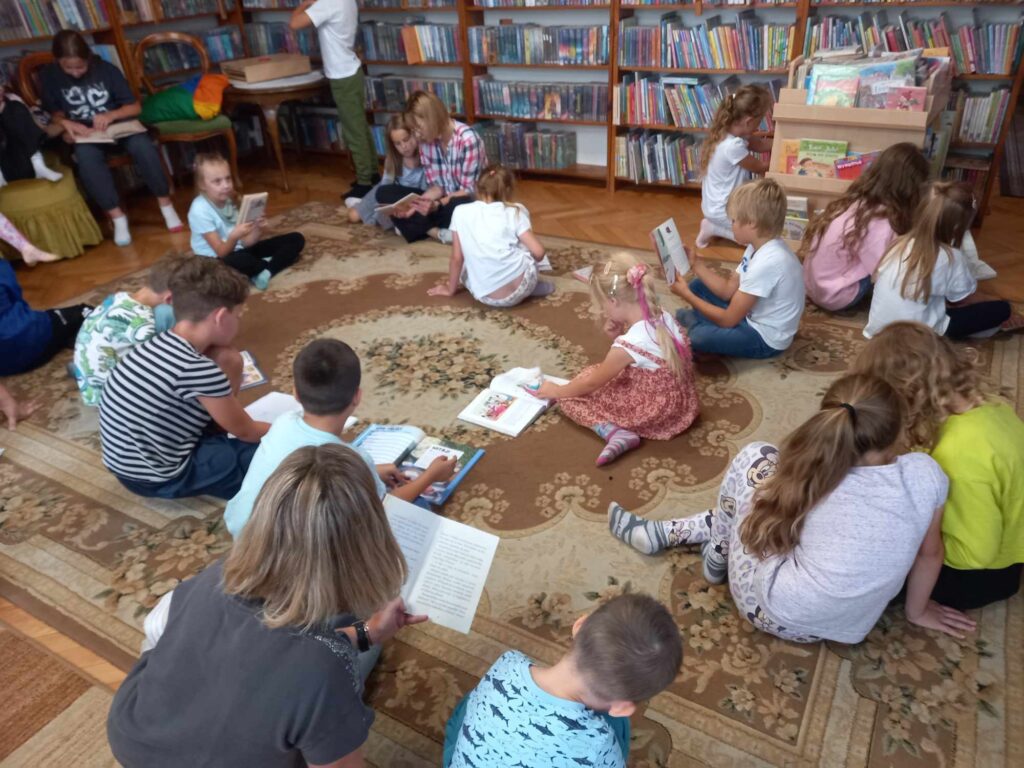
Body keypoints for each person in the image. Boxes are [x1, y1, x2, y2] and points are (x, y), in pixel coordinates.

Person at [107, 444, 426, 767]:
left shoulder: (215, 574)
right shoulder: (326, 669)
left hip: (133, 739)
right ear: (368, 544)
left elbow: (163, 641)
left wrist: (367, 632)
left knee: (359, 648)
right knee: (356, 661)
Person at [607, 373, 978, 644]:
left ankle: (712, 553)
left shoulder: (814, 474)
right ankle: (669, 534)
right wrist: (918, 611)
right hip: (849, 628)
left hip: (768, 609)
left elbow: (766, 518)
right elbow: (930, 553)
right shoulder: (927, 475)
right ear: (898, 432)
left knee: (755, 458)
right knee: (765, 503)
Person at [854, 322, 1024, 610]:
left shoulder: (957, 458)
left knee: (872, 562)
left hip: (983, 576)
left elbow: (975, 555)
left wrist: (917, 544)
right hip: (1005, 541)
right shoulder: (992, 404)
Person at [224, 338, 457, 538]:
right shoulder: (351, 459)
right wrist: (429, 477)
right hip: (292, 563)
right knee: (418, 508)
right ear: (357, 397)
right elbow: (385, 509)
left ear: (294, 391)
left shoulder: (283, 423)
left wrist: (371, 471)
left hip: (244, 537)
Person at [443, 593, 682, 768]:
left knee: (470, 706)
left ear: (579, 625)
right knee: (615, 730)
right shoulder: (597, 746)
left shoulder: (508, 662)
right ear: (622, 708)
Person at [98, 257, 270, 499]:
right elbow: (247, 432)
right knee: (273, 458)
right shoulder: (198, 368)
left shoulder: (154, 344)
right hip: (160, 476)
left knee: (227, 359)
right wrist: (298, 428)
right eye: (239, 315)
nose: (240, 322)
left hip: (125, 466)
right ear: (220, 317)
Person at [531, 253, 699, 466]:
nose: (603, 310)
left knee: (573, 395)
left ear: (614, 301)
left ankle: (616, 433)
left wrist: (557, 391)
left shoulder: (628, 345)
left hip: (657, 410)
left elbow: (592, 383)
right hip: (683, 404)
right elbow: (645, 349)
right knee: (593, 375)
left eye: (603, 305)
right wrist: (619, 331)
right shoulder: (661, 314)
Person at [41, 30, 182, 247]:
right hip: (86, 135)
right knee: (86, 159)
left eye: (80, 67)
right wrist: (67, 126)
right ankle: (118, 218)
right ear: (57, 60)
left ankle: (166, 207)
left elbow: (134, 106)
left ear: (88, 58)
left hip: (119, 128)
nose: (76, 73)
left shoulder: (107, 71)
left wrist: (110, 115)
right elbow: (54, 114)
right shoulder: (50, 76)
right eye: (68, 68)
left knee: (143, 146)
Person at [672, 178, 804, 359]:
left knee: (698, 337)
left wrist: (687, 296)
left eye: (733, 220)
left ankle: (696, 324)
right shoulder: (756, 246)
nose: (730, 225)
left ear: (752, 222)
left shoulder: (768, 263)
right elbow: (727, 291)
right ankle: (699, 321)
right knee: (697, 286)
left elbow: (728, 320)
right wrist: (696, 264)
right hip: (751, 315)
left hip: (765, 337)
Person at [864, 181, 1013, 339]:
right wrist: (996, 299)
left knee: (942, 299)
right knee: (1003, 309)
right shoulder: (952, 257)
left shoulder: (898, 243)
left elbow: (878, 280)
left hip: (878, 331)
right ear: (959, 226)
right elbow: (963, 300)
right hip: (920, 336)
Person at [801, 143, 930, 311]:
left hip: (813, 287)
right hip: (836, 295)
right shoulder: (879, 219)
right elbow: (883, 271)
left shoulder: (855, 201)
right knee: (895, 266)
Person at [289, 0, 379, 200]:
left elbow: (294, 24)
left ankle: (365, 182)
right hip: (351, 71)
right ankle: (372, 174)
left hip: (343, 76)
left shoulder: (329, 3)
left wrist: (304, 4)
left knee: (353, 130)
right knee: (360, 127)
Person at [427, 164, 553, 307]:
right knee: (523, 245)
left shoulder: (460, 211)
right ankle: (531, 287)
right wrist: (531, 261)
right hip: (522, 286)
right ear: (509, 190)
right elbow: (539, 252)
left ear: (477, 187)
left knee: (466, 265)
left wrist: (450, 290)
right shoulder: (515, 211)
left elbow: (457, 258)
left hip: (488, 297)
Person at [72, 253, 185, 406]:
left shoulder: (119, 298)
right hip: (113, 398)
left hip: (89, 388)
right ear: (169, 299)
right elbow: (159, 366)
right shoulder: (143, 326)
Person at [380, 90, 485, 244]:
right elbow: (437, 186)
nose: (416, 135)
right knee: (384, 193)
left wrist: (436, 205)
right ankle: (436, 232)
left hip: (464, 203)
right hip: (441, 203)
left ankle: (416, 228)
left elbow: (469, 190)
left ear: (431, 119)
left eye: (418, 128)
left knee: (460, 205)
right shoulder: (426, 142)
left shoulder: (468, 140)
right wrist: (417, 205)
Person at [188, 152, 304, 290]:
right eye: (217, 181)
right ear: (202, 184)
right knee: (239, 261)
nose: (225, 185)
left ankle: (265, 271)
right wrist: (234, 237)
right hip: (214, 261)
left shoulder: (229, 199)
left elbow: (245, 243)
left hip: (239, 249)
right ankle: (273, 263)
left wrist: (257, 228)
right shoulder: (199, 210)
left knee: (296, 238)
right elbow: (221, 252)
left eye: (228, 179)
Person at [1, 220, 91, 377]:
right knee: (87, 312)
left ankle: (73, 340)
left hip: (3, 368)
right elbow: (16, 299)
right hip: (28, 343)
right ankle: (94, 368)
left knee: (63, 327)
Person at [696, 84, 773, 248]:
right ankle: (713, 227)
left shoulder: (730, 132)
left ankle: (714, 225)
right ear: (748, 121)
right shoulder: (732, 146)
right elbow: (760, 167)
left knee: (756, 228)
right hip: (722, 209)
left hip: (718, 205)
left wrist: (784, 143)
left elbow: (759, 145)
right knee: (756, 240)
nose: (759, 126)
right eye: (759, 122)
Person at [347, 113, 426, 228]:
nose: (404, 146)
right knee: (353, 216)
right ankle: (357, 203)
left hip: (413, 198)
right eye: (398, 144)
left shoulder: (426, 154)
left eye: (406, 139)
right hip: (390, 195)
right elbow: (384, 190)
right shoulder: (393, 159)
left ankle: (364, 206)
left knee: (387, 221)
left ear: (414, 134)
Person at [0, 72, 64, 187]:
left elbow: (34, 128)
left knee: (15, 108)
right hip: (4, 163)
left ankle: (38, 165)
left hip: (22, 158)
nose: (0, 89)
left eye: (0, 84)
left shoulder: (13, 101)